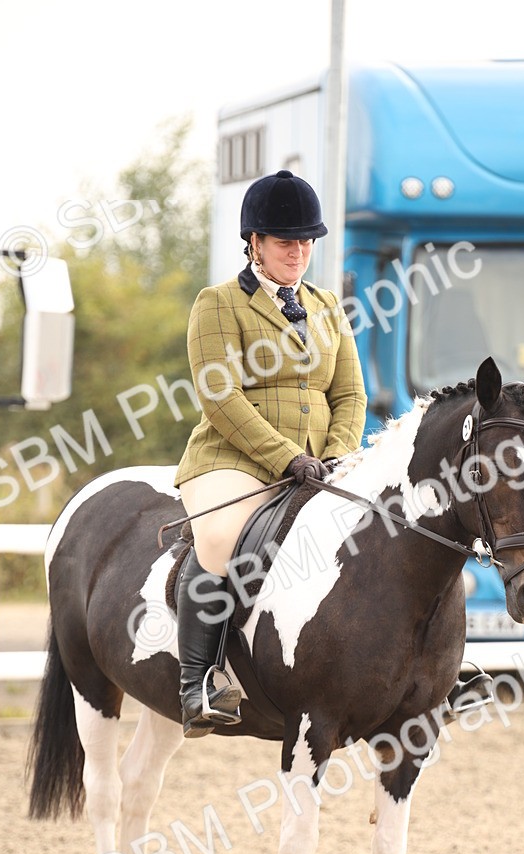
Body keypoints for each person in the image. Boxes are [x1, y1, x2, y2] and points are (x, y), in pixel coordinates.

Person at [173, 169, 368, 737]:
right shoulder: (219, 304)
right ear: (254, 243)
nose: (299, 252)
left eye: (307, 241)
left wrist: (335, 456)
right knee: (216, 538)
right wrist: (287, 459)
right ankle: (197, 682)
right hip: (235, 460)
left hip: (321, 464)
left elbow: (350, 393)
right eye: (287, 242)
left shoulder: (327, 306)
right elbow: (220, 396)